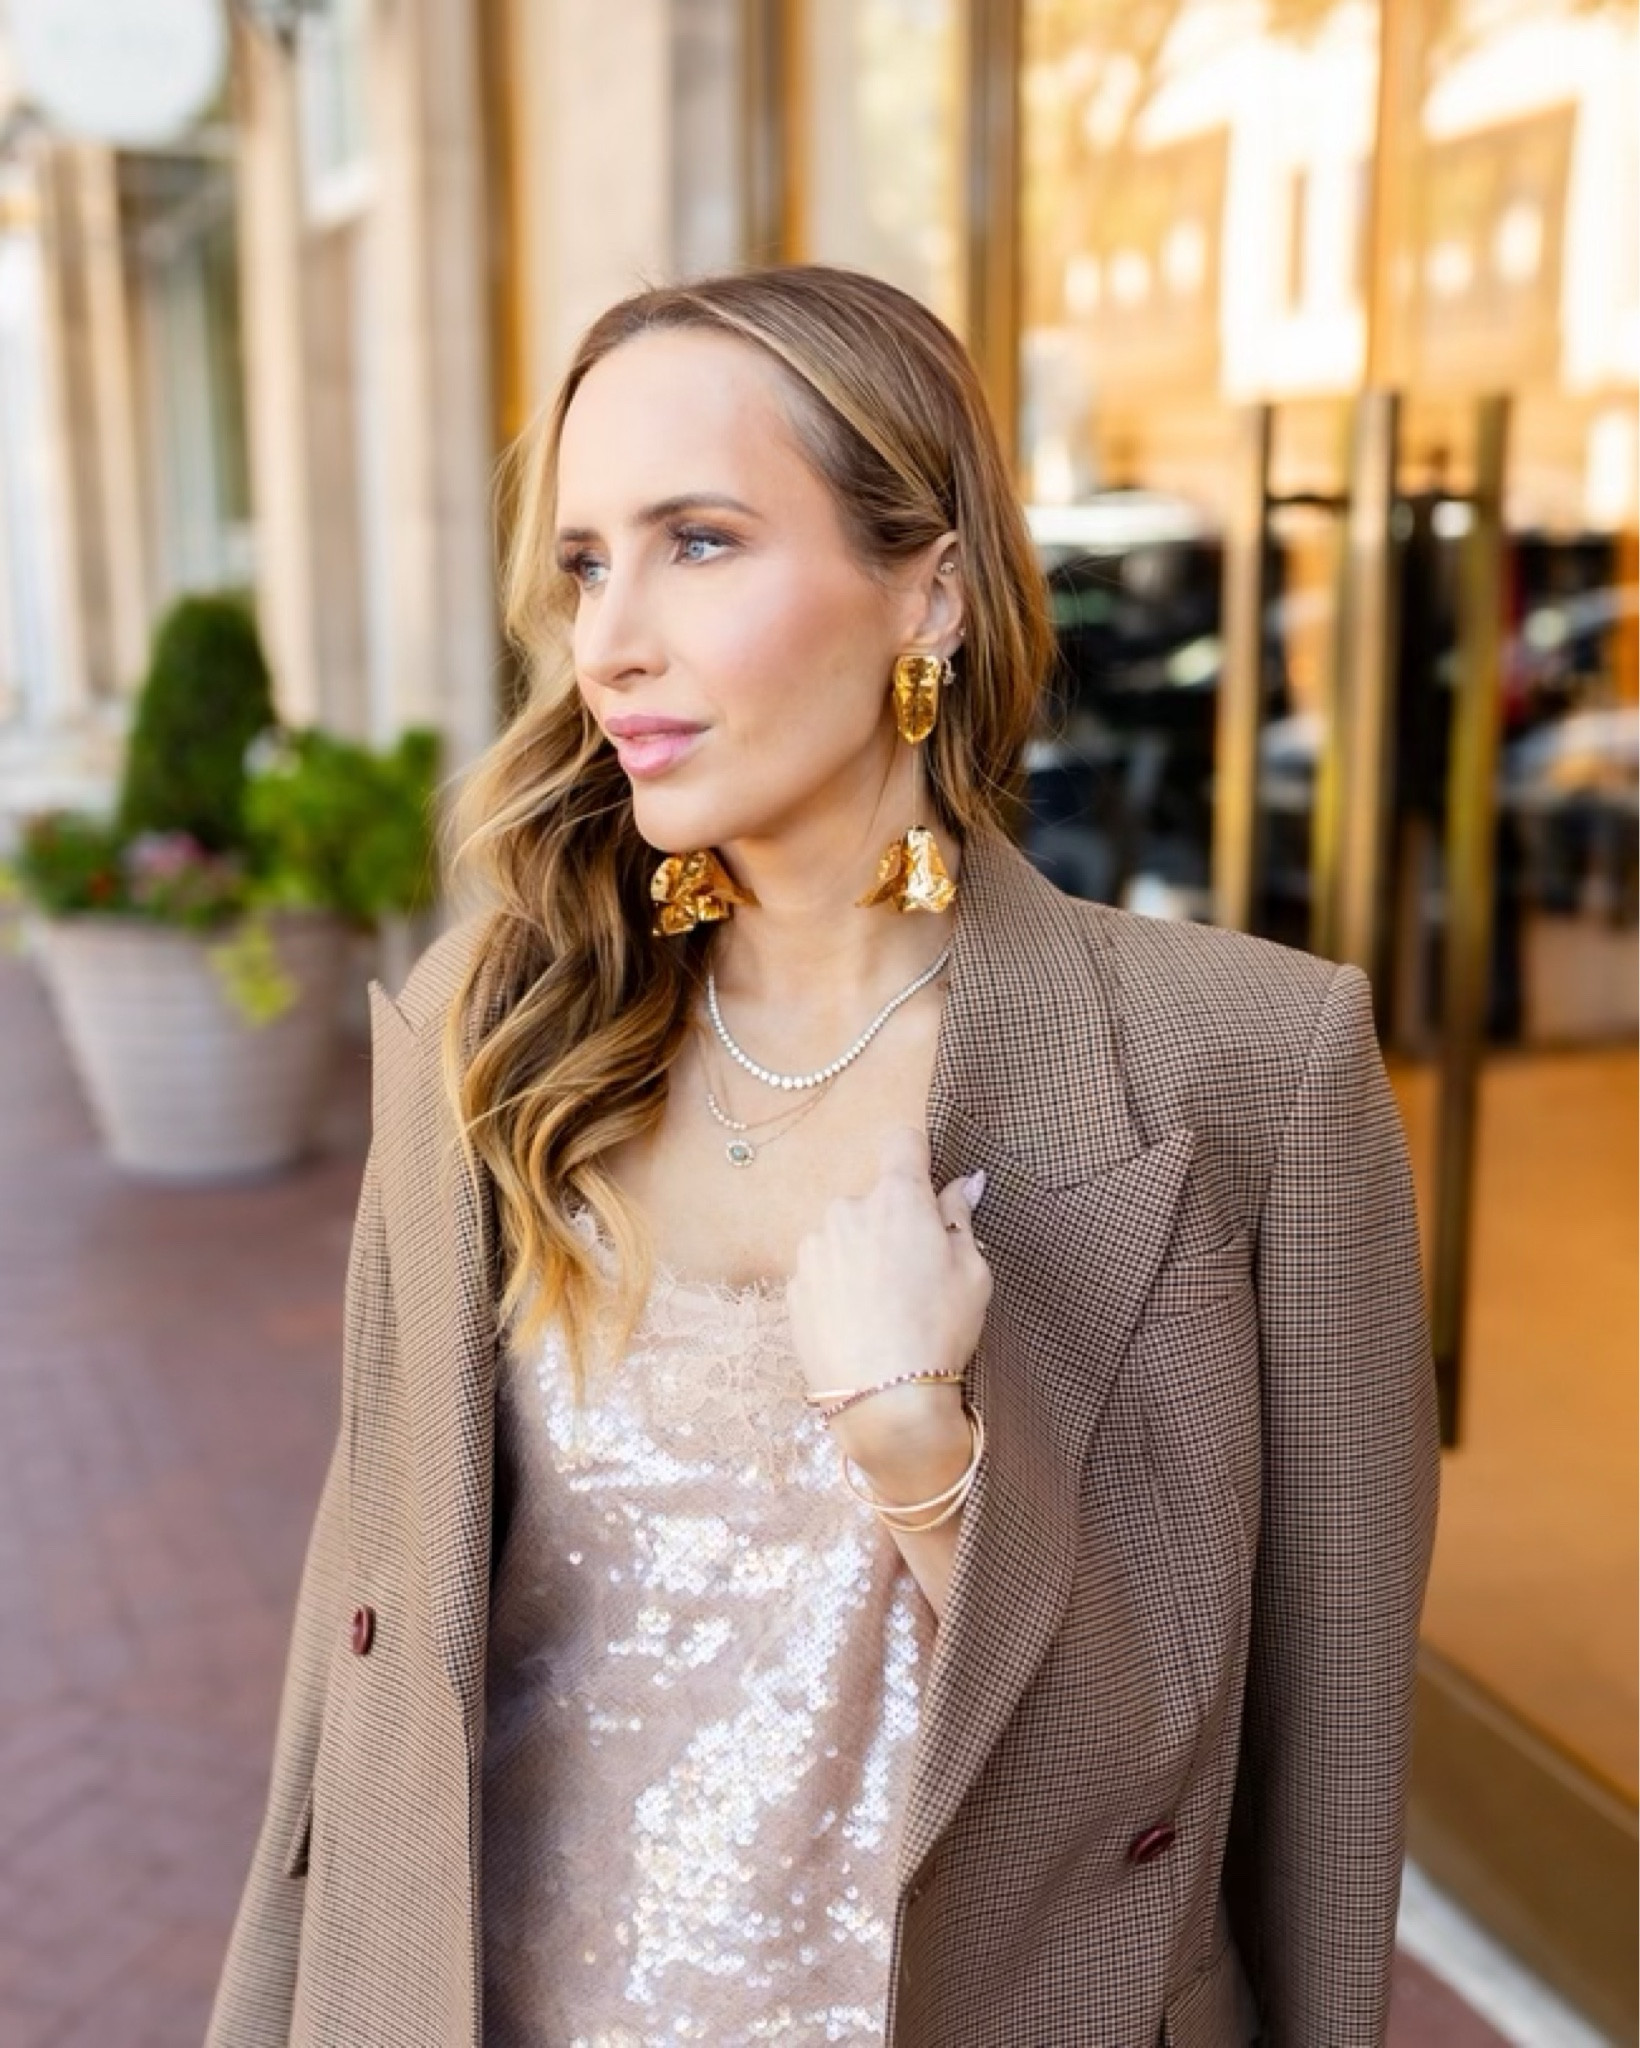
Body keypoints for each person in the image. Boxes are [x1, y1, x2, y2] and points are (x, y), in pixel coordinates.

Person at [206, 265, 1440, 2048]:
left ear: (926, 588)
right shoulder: (495, 1038)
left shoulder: (1243, 1067)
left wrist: (921, 1457)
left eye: (697, 542)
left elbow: (1302, 1783)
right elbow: (360, 1662)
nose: (610, 639)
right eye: (583, 563)